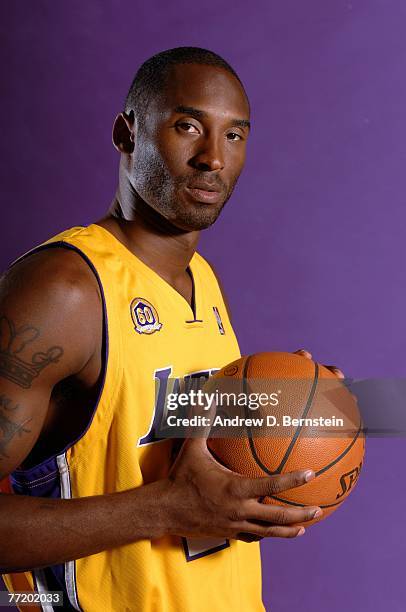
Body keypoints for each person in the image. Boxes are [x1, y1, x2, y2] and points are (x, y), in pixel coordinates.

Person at [0, 47, 343, 611]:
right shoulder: (65, 289)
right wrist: (165, 508)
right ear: (126, 133)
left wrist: (293, 405)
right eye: (188, 126)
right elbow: (179, 497)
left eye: (234, 135)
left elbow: (160, 429)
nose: (213, 157)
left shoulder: (201, 281)